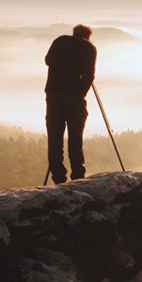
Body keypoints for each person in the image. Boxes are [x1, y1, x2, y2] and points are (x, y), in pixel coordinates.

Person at [45, 24, 96, 184]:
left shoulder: (59, 41)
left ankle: (58, 178)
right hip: (73, 97)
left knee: (54, 138)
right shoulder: (89, 48)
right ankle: (78, 178)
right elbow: (89, 75)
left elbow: (47, 60)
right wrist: (81, 92)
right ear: (87, 36)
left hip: (53, 94)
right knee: (75, 139)